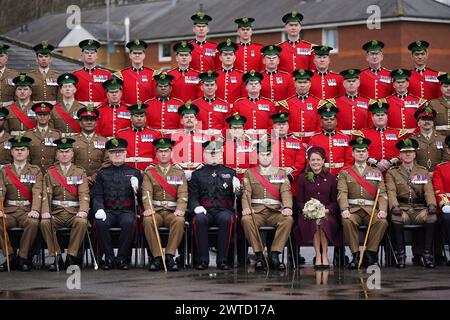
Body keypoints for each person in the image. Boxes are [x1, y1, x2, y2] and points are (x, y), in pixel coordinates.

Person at [241, 140, 293, 270]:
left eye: (268, 154)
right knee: (246, 220)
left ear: (272, 156)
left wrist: (287, 207)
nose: (265, 157)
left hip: (274, 211)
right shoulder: (250, 172)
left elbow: (285, 192)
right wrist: (246, 207)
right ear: (258, 156)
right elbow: (246, 193)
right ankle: (259, 255)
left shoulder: (281, 172)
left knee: (288, 220)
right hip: (256, 211)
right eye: (262, 154)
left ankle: (274, 254)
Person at [386, 138, 438, 268]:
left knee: (431, 217)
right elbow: (391, 191)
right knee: (396, 218)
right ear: (399, 155)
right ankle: (401, 255)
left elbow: (428, 191)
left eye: (410, 152)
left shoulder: (423, 171)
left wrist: (432, 204)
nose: (407, 154)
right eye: (404, 152)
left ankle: (427, 255)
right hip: (402, 209)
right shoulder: (392, 173)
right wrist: (394, 206)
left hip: (419, 208)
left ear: (415, 154)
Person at [337, 137, 388, 268]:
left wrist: (382, 210)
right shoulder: (345, 172)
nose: (361, 153)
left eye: (363, 151)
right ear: (353, 153)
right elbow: (342, 193)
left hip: (371, 209)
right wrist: (344, 209)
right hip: (353, 209)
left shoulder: (376, 172)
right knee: (347, 221)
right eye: (358, 151)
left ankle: (370, 253)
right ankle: (355, 255)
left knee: (382, 222)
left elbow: (382, 194)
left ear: (368, 154)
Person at [40, 137, 90, 270]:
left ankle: (71, 256)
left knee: (81, 222)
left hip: (74, 211)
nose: (64, 154)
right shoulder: (50, 173)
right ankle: (56, 256)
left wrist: (83, 210)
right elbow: (45, 194)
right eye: (61, 152)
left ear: (72, 154)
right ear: (56, 154)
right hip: (56, 211)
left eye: (67, 151)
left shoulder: (79, 171)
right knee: (45, 223)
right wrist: (45, 211)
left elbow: (84, 194)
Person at [92, 137, 142, 270]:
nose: (117, 155)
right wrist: (99, 209)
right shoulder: (102, 174)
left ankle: (122, 258)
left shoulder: (134, 172)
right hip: (108, 210)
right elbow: (97, 195)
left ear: (126, 153)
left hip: (127, 210)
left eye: (120, 152)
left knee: (129, 223)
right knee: (100, 223)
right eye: (114, 152)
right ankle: (108, 257)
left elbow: (141, 197)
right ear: (109, 155)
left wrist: (137, 188)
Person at [189, 139, 238, 270]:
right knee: (199, 220)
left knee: (227, 219)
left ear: (222, 154)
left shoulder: (231, 173)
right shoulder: (197, 174)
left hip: (224, 209)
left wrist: (238, 190)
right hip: (205, 210)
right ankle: (202, 260)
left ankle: (222, 260)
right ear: (204, 155)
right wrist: (196, 207)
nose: (213, 155)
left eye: (216, 153)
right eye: (210, 153)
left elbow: (236, 197)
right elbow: (192, 196)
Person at [141, 138, 188, 272]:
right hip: (155, 210)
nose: (163, 154)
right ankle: (157, 257)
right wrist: (149, 208)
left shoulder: (179, 172)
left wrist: (180, 209)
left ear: (171, 153)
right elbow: (146, 193)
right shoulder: (150, 173)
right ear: (156, 154)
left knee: (179, 220)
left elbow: (183, 194)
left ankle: (169, 255)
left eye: (166, 151)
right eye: (160, 151)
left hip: (172, 211)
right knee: (148, 220)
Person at [0, 136, 42, 271]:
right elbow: (1, 191)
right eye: (16, 149)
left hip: (27, 210)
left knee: (33, 222)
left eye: (22, 149)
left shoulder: (35, 171)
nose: (19, 152)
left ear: (28, 152)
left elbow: (37, 192)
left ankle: (23, 257)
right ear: (11, 152)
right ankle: (10, 256)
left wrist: (35, 209)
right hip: (10, 211)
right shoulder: (4, 171)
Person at [295, 146, 340, 269]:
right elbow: (299, 201)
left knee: (322, 221)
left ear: (323, 161)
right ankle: (318, 255)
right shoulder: (302, 178)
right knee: (316, 221)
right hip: (308, 215)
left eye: (318, 159)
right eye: (313, 160)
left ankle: (324, 255)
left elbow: (335, 201)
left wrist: (327, 209)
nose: (315, 162)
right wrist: (309, 209)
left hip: (327, 214)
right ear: (309, 161)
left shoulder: (331, 178)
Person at [359, 101, 407, 173]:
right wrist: (375, 162)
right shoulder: (363, 134)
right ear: (372, 117)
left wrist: (390, 161)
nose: (380, 117)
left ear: (387, 117)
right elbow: (359, 151)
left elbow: (404, 150)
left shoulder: (399, 134)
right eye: (377, 115)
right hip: (371, 171)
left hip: (394, 171)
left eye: (382, 115)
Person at [307, 101, 353, 175]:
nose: (329, 121)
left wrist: (343, 175)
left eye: (332, 119)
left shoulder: (345, 138)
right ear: (321, 122)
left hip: (341, 174)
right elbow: (309, 159)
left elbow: (350, 160)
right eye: (326, 119)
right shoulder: (314, 139)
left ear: (336, 121)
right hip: (320, 174)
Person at [276, 69, 320, 143]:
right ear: (295, 84)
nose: (302, 85)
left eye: (305, 82)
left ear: (310, 84)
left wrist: (313, 141)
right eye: (299, 82)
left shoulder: (318, 103)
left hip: (313, 140)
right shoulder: (286, 104)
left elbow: (320, 125)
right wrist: (294, 140)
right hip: (292, 141)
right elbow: (284, 125)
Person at [117, 101, 161, 171]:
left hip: (148, 170)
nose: (139, 118)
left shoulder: (155, 134)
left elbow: (159, 155)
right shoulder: (121, 134)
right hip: (126, 170)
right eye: (136, 116)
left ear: (146, 118)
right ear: (131, 118)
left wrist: (151, 167)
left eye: (142, 116)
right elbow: (118, 154)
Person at [232, 70, 276, 138]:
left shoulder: (269, 103)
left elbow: (273, 123)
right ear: (246, 87)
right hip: (244, 139)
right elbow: (235, 124)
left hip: (265, 139)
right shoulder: (238, 104)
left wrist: (266, 135)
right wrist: (243, 135)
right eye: (250, 84)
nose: (253, 86)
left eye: (256, 83)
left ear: (260, 86)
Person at [72, 106, 110, 186]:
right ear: (80, 123)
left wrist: (94, 177)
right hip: (77, 181)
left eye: (92, 120)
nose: (89, 122)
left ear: (96, 123)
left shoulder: (104, 140)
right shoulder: (72, 141)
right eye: (86, 120)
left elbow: (108, 162)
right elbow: (68, 162)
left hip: (99, 181)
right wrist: (81, 177)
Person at [386, 68, 427, 134]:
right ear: (393, 85)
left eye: (403, 82)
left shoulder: (419, 101)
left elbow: (423, 122)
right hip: (394, 136)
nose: (400, 84)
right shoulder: (386, 101)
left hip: (413, 135)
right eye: (398, 82)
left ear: (408, 84)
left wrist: (414, 131)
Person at [24, 102, 61, 172]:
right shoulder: (28, 134)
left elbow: (59, 155)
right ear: (35, 116)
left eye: (45, 114)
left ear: (49, 116)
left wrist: (55, 170)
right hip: (33, 171)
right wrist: (30, 170)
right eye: (40, 114)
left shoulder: (56, 134)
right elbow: (26, 156)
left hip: (52, 172)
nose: (42, 117)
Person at [73, 39, 111, 106]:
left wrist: (100, 104)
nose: (89, 55)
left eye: (92, 53)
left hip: (100, 109)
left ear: (96, 55)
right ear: (82, 55)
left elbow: (110, 95)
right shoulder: (75, 75)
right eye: (87, 53)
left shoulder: (106, 74)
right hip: (81, 110)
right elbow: (72, 97)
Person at [410, 107, 449, 172]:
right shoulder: (412, 140)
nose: (427, 122)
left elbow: (446, 159)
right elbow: (411, 160)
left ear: (433, 122)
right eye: (423, 119)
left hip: (439, 174)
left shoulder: (443, 139)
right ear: (418, 123)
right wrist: (422, 172)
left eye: (429, 119)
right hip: (419, 175)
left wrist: (436, 172)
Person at [334, 69, 371, 135]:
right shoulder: (335, 102)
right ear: (344, 84)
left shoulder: (368, 102)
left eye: (354, 81)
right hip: (343, 137)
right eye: (348, 81)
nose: (351, 83)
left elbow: (371, 124)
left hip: (362, 138)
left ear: (359, 83)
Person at [117, 39, 154, 105]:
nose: (137, 55)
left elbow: (155, 97)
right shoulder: (121, 75)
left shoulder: (153, 74)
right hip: (128, 112)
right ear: (130, 55)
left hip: (147, 112)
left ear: (144, 55)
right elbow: (119, 98)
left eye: (140, 53)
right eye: (134, 53)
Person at [193, 70, 230, 135]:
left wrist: (220, 132)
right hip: (200, 138)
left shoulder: (225, 105)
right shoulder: (194, 104)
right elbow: (192, 124)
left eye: (212, 85)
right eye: (207, 85)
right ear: (202, 87)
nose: (209, 87)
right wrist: (202, 132)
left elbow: (228, 125)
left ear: (216, 87)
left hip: (219, 138)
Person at [433, 135, 450, 260]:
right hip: (449, 205)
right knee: (447, 218)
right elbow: (439, 189)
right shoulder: (440, 168)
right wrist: (445, 205)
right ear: (448, 151)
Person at [215, 39, 244, 105]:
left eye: (231, 55)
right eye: (225, 55)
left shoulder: (241, 76)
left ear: (234, 57)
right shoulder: (215, 75)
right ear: (220, 58)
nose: (228, 57)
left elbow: (244, 98)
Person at [429, 73, 450, 137]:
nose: (449, 89)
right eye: (445, 86)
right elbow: (428, 124)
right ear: (440, 88)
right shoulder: (433, 104)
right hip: (439, 138)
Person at [0, 42, 19, 107]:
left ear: (6, 58)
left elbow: (18, 96)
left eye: (1, 56)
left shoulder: (14, 75)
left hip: (9, 110)